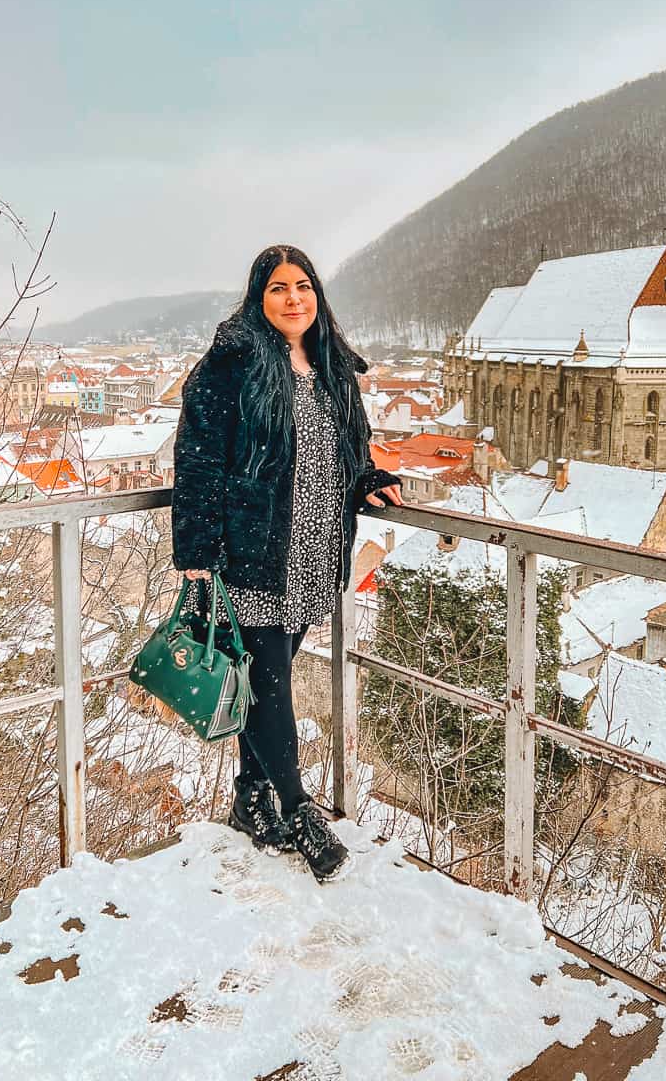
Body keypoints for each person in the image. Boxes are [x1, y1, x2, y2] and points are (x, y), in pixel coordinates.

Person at [171, 244, 403, 881]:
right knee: (271, 681)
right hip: (252, 547)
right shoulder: (231, 364)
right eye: (279, 288)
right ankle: (300, 810)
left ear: (317, 297)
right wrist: (194, 548)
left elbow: (343, 449)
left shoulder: (330, 365)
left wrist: (366, 480)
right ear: (258, 297)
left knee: (261, 677)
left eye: (303, 286)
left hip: (315, 545)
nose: (293, 298)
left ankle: (250, 798)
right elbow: (197, 457)